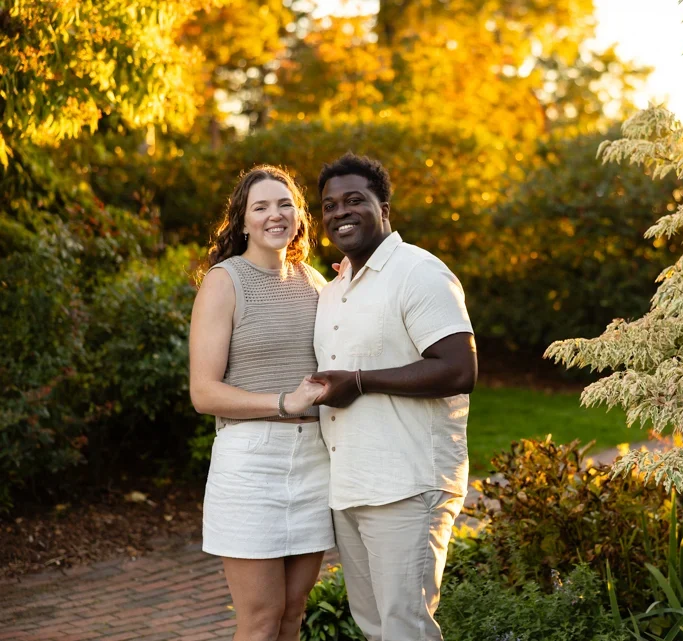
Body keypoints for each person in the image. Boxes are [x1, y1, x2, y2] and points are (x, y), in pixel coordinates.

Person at [309, 153, 477, 641]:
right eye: (330, 205)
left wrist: (360, 381)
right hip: (351, 484)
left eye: (354, 200)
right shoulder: (336, 288)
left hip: (407, 482)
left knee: (406, 629)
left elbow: (458, 368)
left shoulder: (418, 272)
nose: (340, 211)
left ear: (384, 207)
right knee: (376, 628)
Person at [189, 165, 333, 641]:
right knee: (260, 618)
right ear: (243, 221)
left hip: (314, 460)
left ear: (300, 216)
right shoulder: (225, 281)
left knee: (293, 613)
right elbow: (203, 392)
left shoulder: (316, 283)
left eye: (285, 203)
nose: (276, 214)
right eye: (261, 206)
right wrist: (284, 402)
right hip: (250, 464)